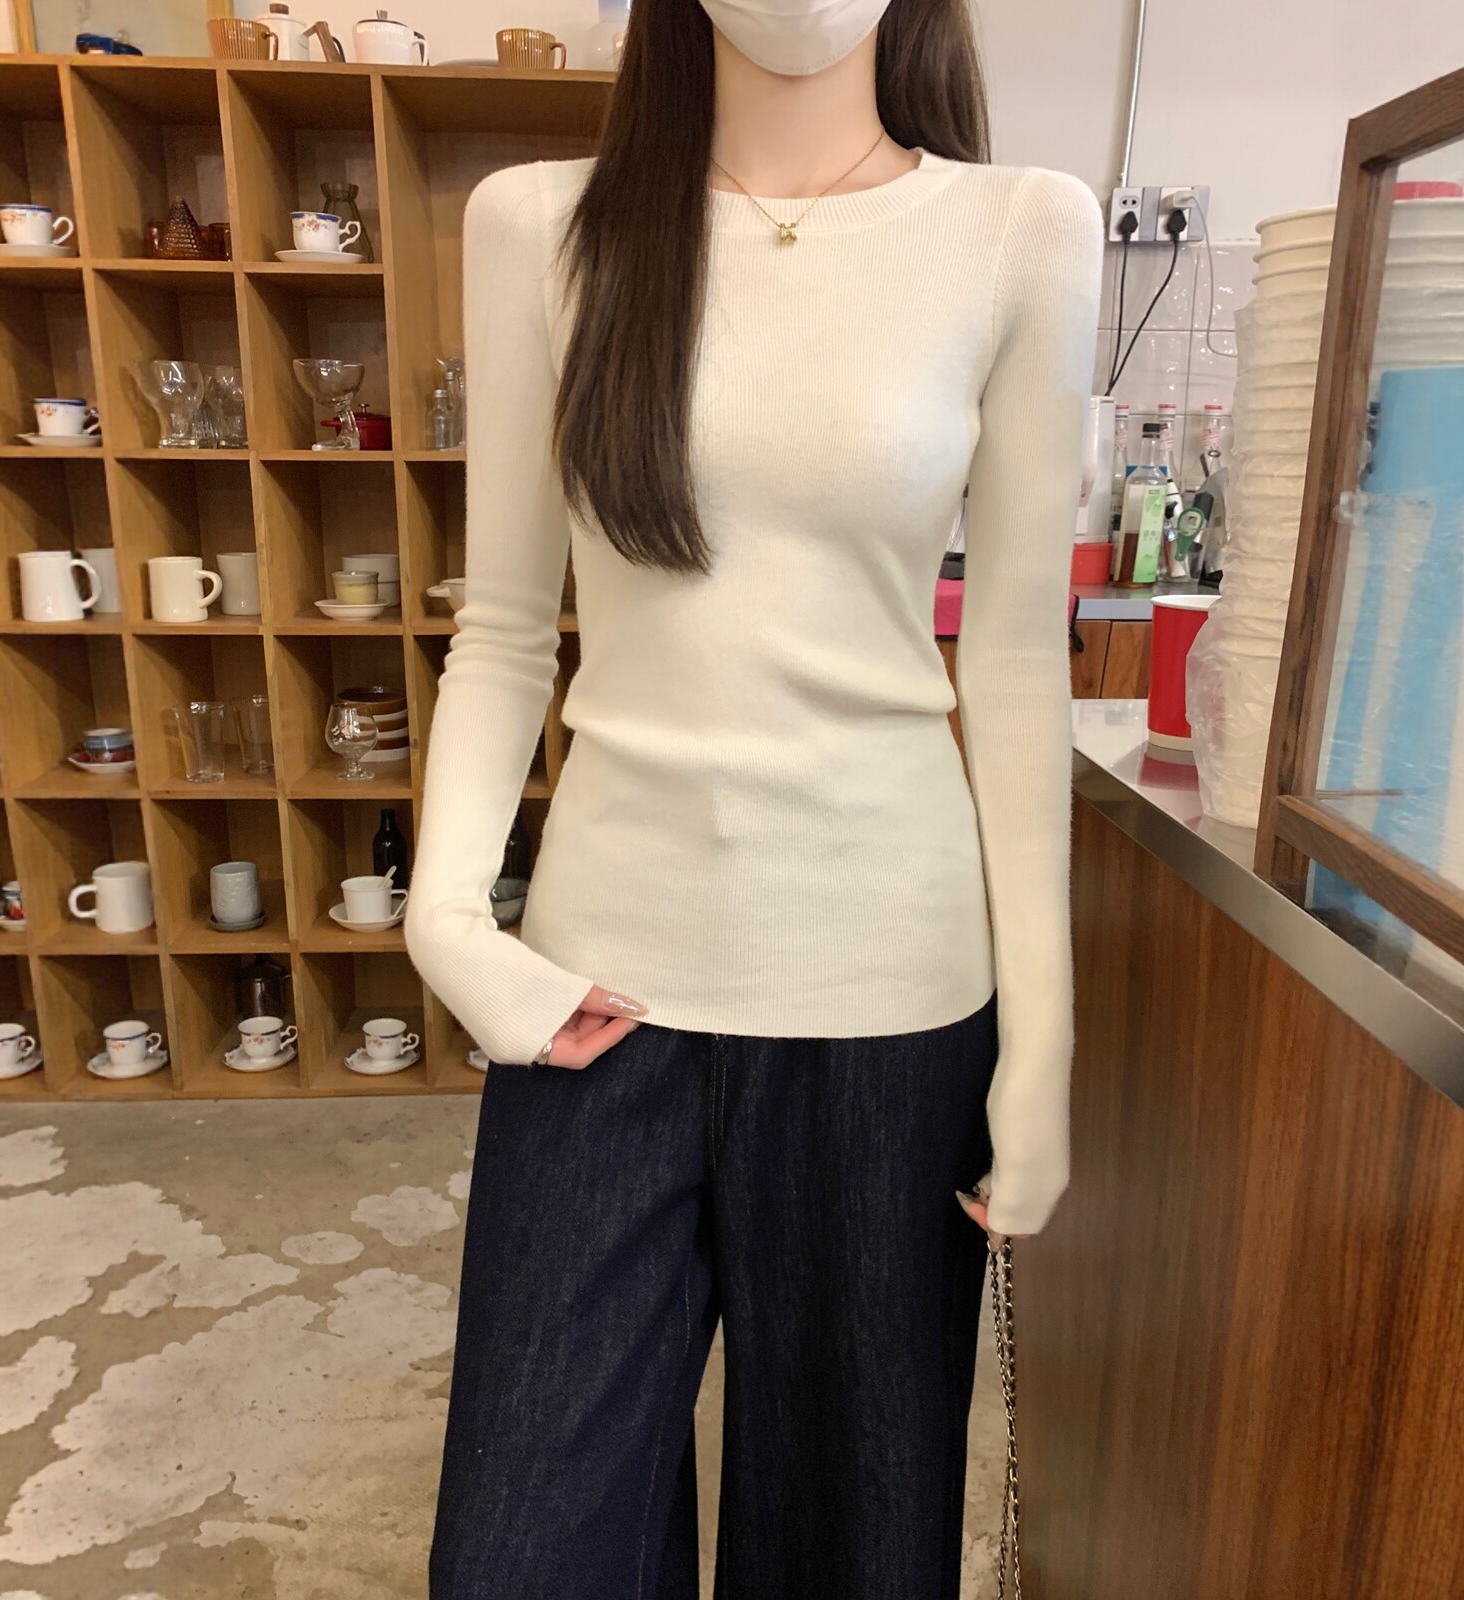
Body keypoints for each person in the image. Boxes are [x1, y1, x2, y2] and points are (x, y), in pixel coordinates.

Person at [406, 0, 1101, 1593]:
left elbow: (1013, 666)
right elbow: (502, 625)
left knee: (853, 1549)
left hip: (892, 1004)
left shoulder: (1019, 231)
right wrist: (444, 923)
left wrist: (1044, 1046)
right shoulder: (540, 226)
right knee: (524, 1550)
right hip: (595, 1002)